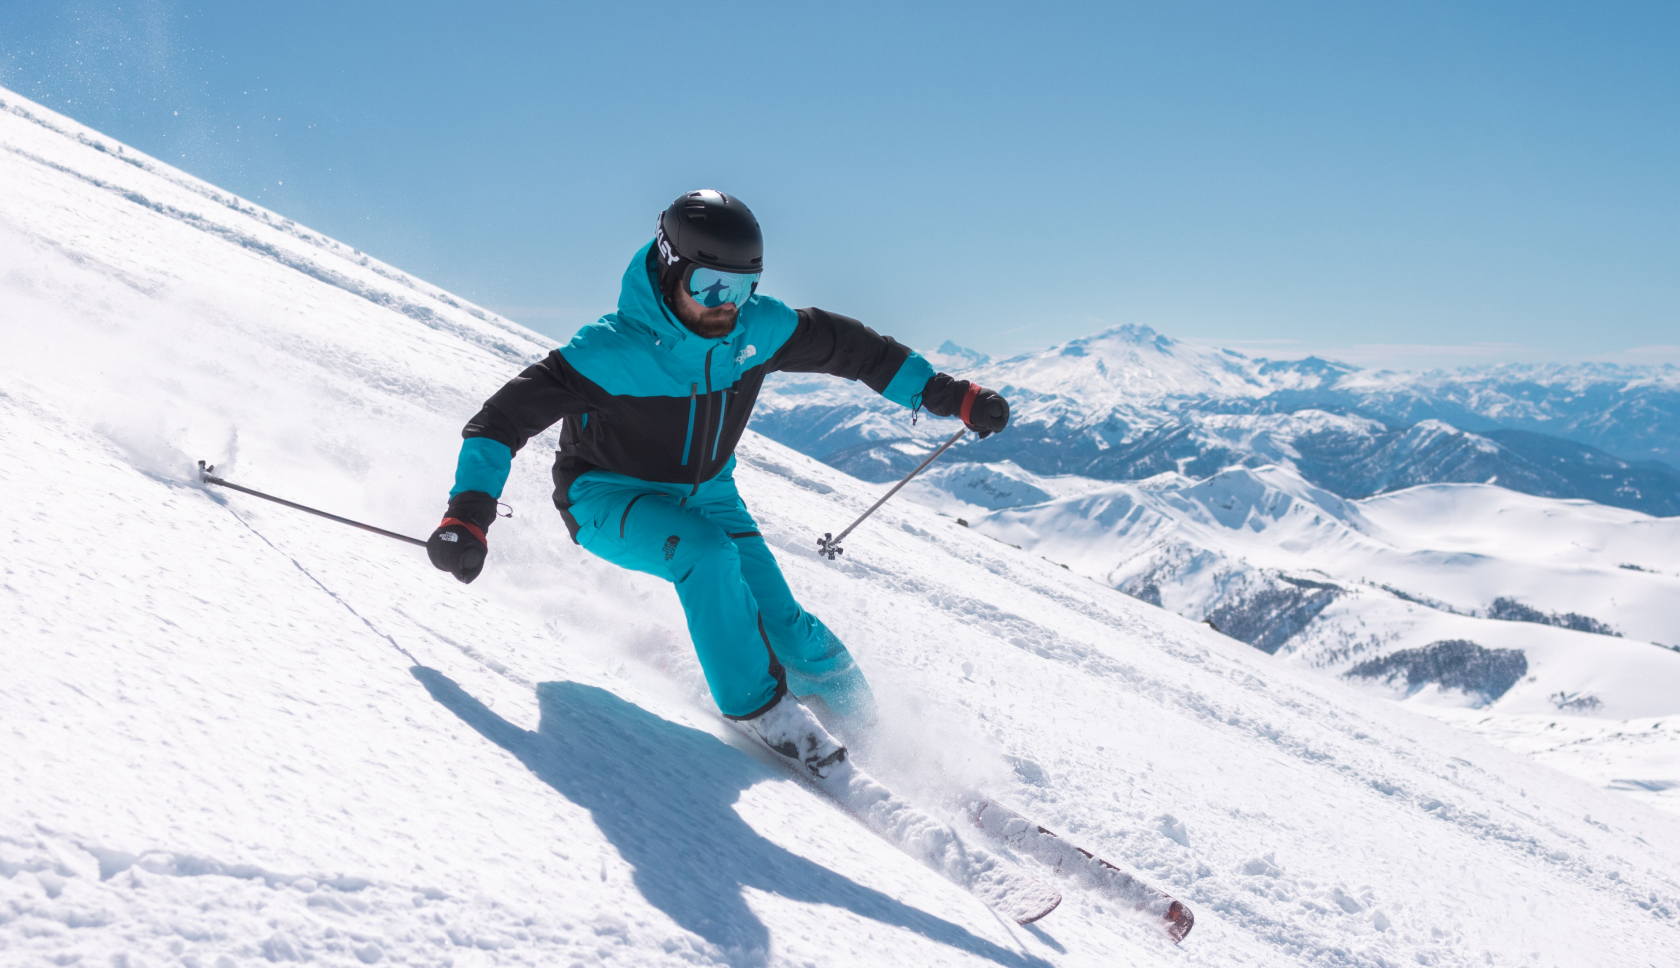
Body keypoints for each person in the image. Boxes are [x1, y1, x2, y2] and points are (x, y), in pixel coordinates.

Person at [426, 189, 1010, 778]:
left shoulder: (757, 329)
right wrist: (467, 513)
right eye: (709, 285)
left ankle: (873, 736)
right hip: (607, 496)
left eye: (740, 287)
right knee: (704, 555)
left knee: (793, 631)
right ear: (671, 266)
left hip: (710, 493)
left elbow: (857, 351)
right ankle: (760, 707)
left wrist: (949, 395)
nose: (724, 306)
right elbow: (498, 423)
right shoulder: (608, 350)